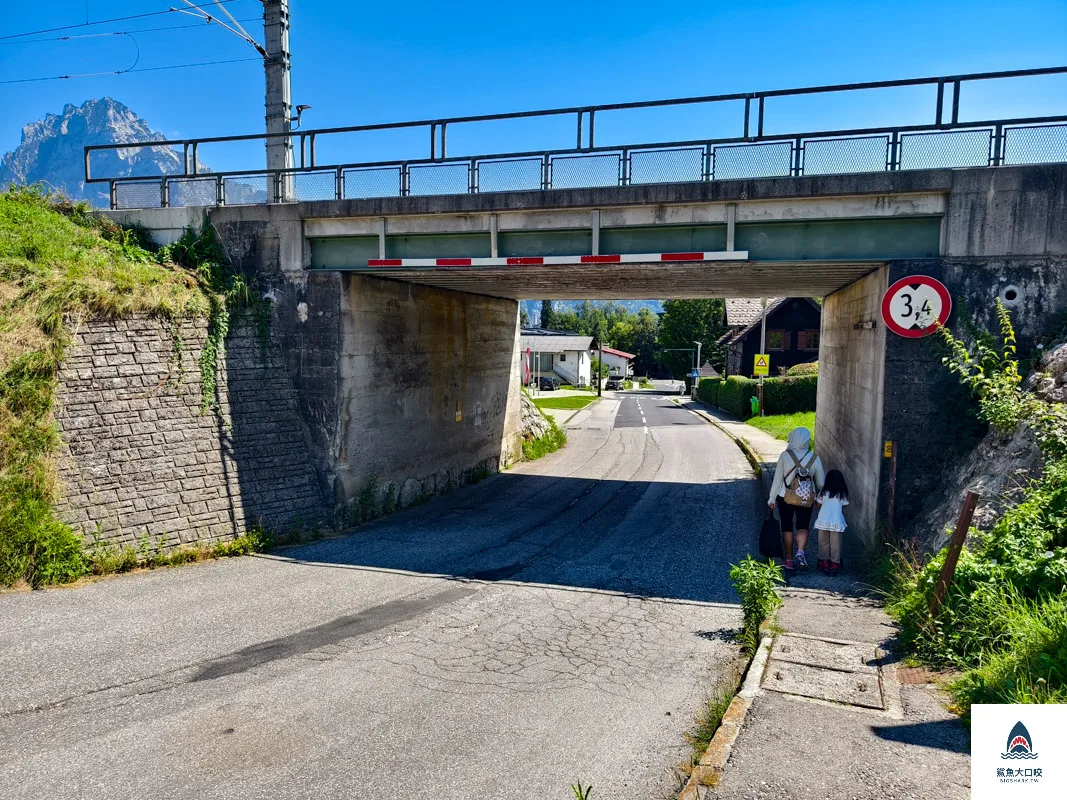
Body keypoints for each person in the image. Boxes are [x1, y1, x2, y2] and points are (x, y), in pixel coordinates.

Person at [767, 427, 825, 574]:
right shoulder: (814, 457)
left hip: (785, 496)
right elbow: (821, 483)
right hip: (806, 497)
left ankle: (789, 560)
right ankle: (800, 552)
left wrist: (772, 498)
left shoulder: (785, 456)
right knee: (803, 526)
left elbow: (777, 480)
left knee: (787, 526)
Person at [813, 470, 849, 577]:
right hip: (836, 521)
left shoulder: (823, 493)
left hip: (823, 520)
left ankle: (824, 561)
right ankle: (835, 562)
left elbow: (818, 505)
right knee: (835, 543)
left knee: (823, 542)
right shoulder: (841, 494)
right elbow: (844, 505)